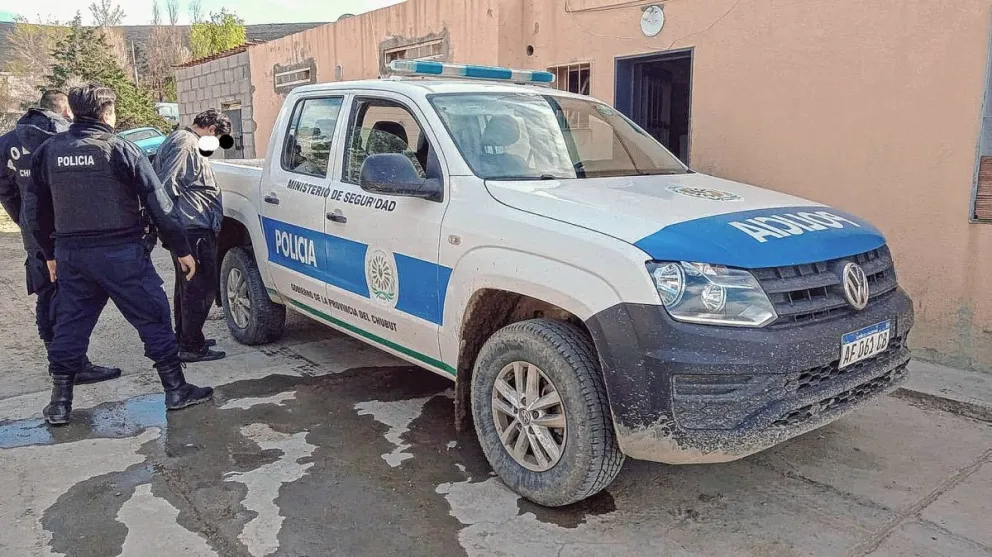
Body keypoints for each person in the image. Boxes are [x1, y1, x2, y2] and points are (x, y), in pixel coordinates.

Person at [25, 83, 213, 425]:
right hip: (121, 253)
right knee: (152, 317)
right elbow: (158, 203)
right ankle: (176, 390)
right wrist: (181, 248)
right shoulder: (120, 148)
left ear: (74, 111)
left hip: (73, 256)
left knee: (70, 324)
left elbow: (34, 210)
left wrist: (48, 254)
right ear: (107, 113)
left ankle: (60, 404)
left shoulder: (48, 151)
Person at [0, 90, 122, 385]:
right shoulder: (65, 137)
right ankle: (73, 364)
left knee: (45, 291)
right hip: (68, 228)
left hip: (34, 229)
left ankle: (57, 358)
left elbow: (5, 191)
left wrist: (25, 222)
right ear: (66, 110)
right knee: (75, 297)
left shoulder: (6, 142)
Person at [152, 108, 231, 363]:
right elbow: (166, 186)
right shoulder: (187, 145)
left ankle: (187, 337)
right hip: (192, 228)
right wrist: (167, 228)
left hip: (189, 227)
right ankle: (191, 346)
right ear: (210, 130)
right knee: (200, 287)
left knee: (187, 287)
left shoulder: (179, 139)